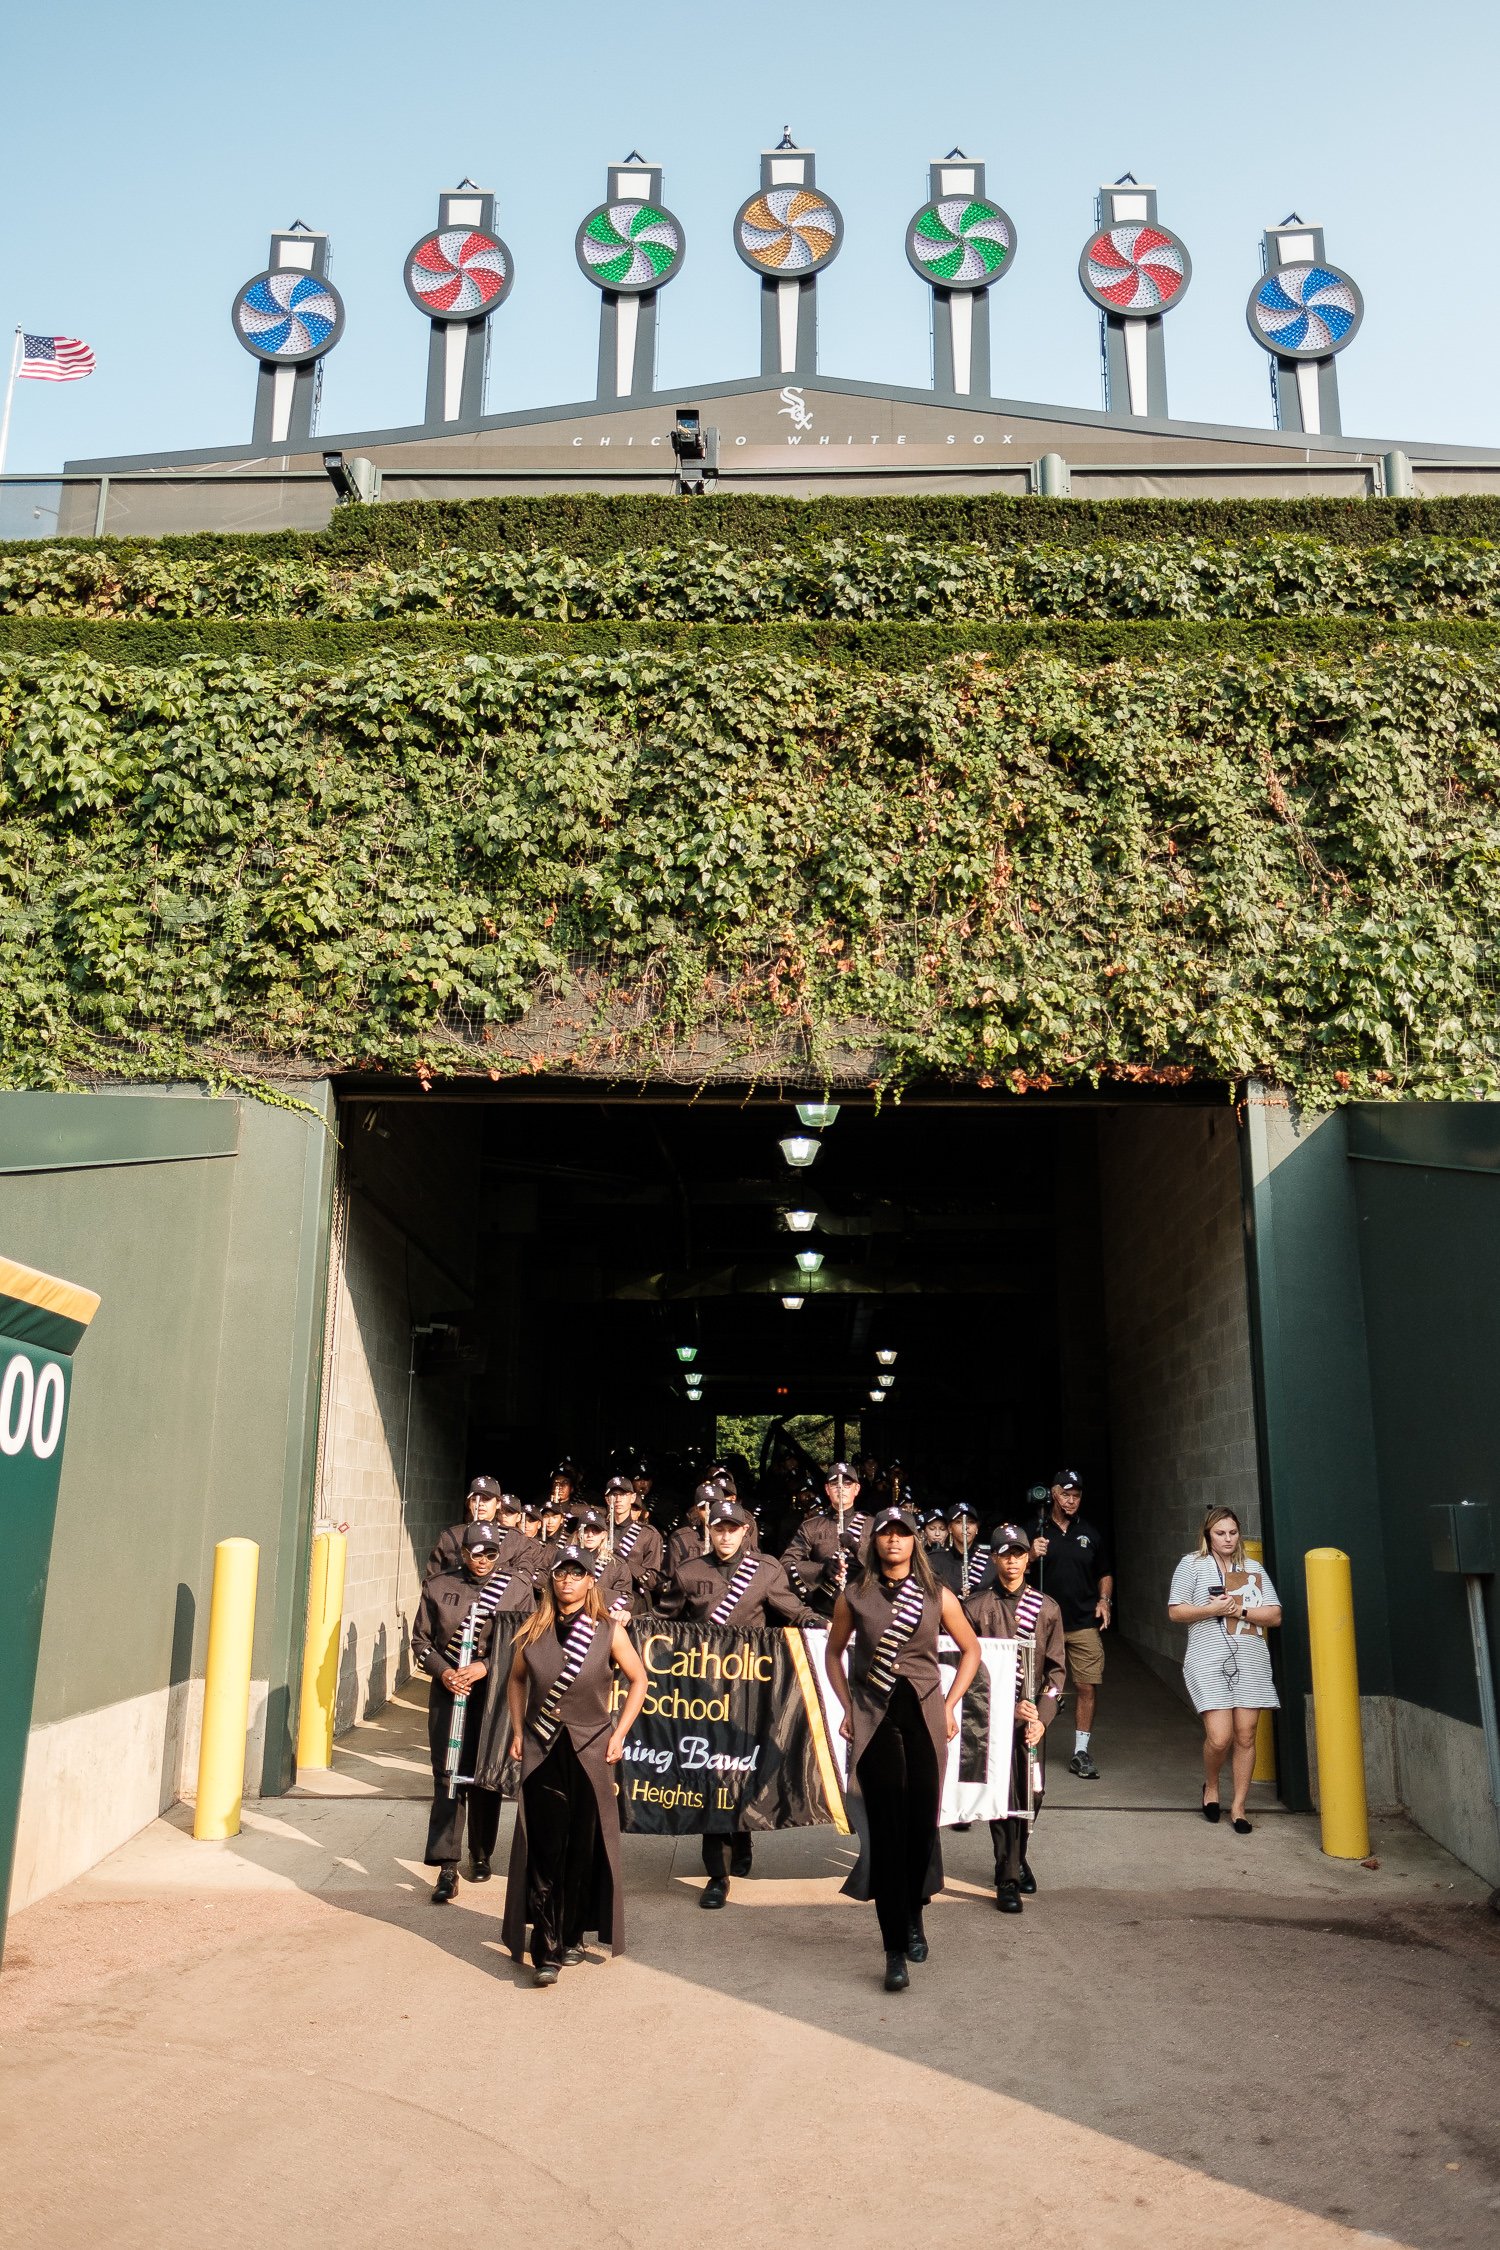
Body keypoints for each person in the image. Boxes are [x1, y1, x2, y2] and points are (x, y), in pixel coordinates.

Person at [824, 1505, 980, 1992]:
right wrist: (848, 1706)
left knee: (918, 1829)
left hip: (925, 1719)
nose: (894, 1541)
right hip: (874, 1723)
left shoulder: (936, 1595)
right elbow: (833, 1653)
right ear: (874, 1542)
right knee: (887, 1835)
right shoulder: (855, 1595)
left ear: (916, 1541)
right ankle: (894, 1948)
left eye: (903, 1534)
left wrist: (952, 1704)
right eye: (885, 1534)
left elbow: (971, 1650)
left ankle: (914, 1914)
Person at [658, 1495, 822, 1908]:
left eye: (733, 1528)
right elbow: (665, 1620)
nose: (726, 1535)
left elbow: (792, 1610)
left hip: (750, 1688)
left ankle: (743, 1835)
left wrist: (822, 1624)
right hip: (701, 1690)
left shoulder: (765, 1570)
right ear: (708, 1531)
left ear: (745, 1531)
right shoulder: (689, 1570)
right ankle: (717, 1872)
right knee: (708, 1772)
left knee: (742, 1768)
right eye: (719, 1528)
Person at [501, 1547, 649, 1986]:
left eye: (576, 1574)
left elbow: (639, 1679)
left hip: (592, 1750)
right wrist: (515, 1730)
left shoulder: (607, 1631)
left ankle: (571, 1936)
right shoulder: (533, 1631)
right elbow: (515, 1680)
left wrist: (620, 1733)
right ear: (551, 1581)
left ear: (590, 1583)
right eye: (561, 1573)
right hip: (543, 1749)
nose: (567, 1580)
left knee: (583, 1848)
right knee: (546, 1848)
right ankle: (544, 1949)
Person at [412, 1523, 535, 1900]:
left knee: (485, 1773)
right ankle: (446, 1865)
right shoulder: (438, 1585)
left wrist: (485, 1666)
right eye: (475, 1554)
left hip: (494, 1691)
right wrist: (444, 1672)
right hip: (449, 1690)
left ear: (499, 1553)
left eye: (490, 1554)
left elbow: (528, 1640)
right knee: (447, 1773)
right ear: (463, 1554)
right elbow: (420, 1640)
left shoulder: (516, 1588)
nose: (482, 1561)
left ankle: (480, 1854)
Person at [964, 1522, 1066, 1912]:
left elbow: (1056, 1671)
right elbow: (967, 1671)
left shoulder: (1047, 1608)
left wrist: (1041, 1717)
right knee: (1004, 1794)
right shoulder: (975, 1608)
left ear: (1028, 1557)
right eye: (1005, 1554)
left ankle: (1017, 1856)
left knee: (1034, 1793)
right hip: (992, 1719)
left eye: (1019, 1553)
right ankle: (1006, 1876)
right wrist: (1004, 1708)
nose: (1012, 1561)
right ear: (994, 1558)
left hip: (1033, 1722)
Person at [1167, 1508, 1282, 1833]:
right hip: (1207, 1658)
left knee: (1246, 1734)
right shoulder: (1191, 1565)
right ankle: (1212, 1785)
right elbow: (1175, 1611)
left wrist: (1241, 1609)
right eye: (1220, 1533)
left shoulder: (1252, 1568)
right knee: (1220, 1737)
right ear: (1208, 1535)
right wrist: (1211, 1609)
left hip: (1250, 1657)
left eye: (1233, 1533)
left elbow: (1274, 1615)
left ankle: (1239, 1806)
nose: (1228, 1539)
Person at [1030, 1469, 1113, 1779]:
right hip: (1042, 1623)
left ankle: (1081, 1751)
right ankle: (1030, 1746)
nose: (1071, 1500)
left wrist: (1104, 1600)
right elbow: (1007, 1569)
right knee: (1035, 1686)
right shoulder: (1036, 1529)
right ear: (1053, 1493)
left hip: (1081, 1622)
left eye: (1076, 1496)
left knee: (1086, 1685)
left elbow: (1105, 1572)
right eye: (1065, 1494)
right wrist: (1029, 1554)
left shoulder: (1090, 1533)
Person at [783, 1462, 869, 1615]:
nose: (841, 1488)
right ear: (827, 1489)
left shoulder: (872, 1524)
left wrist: (856, 1547)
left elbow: (886, 1565)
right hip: (825, 1613)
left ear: (857, 1489)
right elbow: (785, 1565)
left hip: (865, 1612)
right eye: (835, 1484)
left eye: (847, 1484)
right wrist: (821, 1569)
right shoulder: (811, 1526)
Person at [424, 1474, 505, 1580]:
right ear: (469, 1503)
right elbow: (433, 1580)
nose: (480, 1504)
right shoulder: (450, 1537)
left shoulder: (513, 1539)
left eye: (486, 1499)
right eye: (474, 1499)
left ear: (498, 1503)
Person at [606, 1473, 663, 1611]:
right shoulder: (597, 1530)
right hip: (601, 1597)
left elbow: (652, 1580)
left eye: (623, 1494)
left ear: (632, 1497)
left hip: (633, 1601)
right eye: (614, 1495)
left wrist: (620, 1558)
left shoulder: (648, 1534)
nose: (618, 1499)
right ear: (607, 1499)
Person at [574, 1506, 635, 1617]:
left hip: (599, 1618)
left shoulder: (616, 1564)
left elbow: (626, 1599)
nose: (590, 1535)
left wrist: (597, 1599)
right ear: (578, 1534)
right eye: (585, 1530)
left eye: (595, 1531)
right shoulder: (566, 1559)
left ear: (603, 1535)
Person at [947, 1501, 988, 1595]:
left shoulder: (991, 1562)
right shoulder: (936, 1560)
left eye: (971, 1522)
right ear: (950, 1528)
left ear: (977, 1528)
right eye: (959, 1522)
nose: (966, 1526)